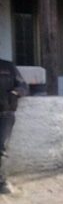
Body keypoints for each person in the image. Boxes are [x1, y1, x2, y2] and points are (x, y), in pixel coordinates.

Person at [0, 58, 28, 194]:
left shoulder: (8, 67)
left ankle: (2, 182)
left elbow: (23, 86)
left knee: (1, 147)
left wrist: (15, 93)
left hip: (5, 113)